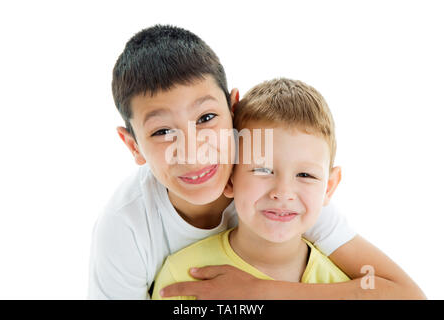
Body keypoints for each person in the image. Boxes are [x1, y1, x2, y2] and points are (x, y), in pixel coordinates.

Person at [88, 24, 425, 299]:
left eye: (206, 117)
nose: (193, 150)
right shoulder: (125, 228)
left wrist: (259, 293)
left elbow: (404, 293)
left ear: (232, 109)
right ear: (133, 145)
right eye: (162, 131)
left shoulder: (278, 190)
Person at [152, 78, 356, 299]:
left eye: (305, 175)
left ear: (329, 187)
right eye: (263, 170)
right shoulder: (184, 278)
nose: (283, 192)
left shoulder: (341, 285)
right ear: (230, 179)